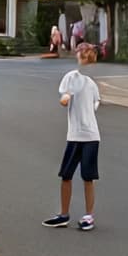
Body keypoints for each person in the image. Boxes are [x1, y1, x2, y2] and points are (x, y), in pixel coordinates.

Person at [42, 41, 101, 231]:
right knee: (66, 175)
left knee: (87, 177)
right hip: (75, 135)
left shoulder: (92, 83)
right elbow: (65, 97)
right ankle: (64, 214)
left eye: (83, 55)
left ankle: (88, 216)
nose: (81, 58)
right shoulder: (71, 77)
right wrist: (66, 98)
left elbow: (96, 102)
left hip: (90, 136)